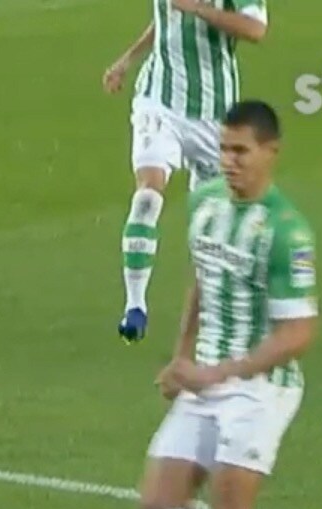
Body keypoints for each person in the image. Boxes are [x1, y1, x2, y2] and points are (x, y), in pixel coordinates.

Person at [139, 100, 316, 509]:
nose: (229, 161)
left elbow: (298, 333)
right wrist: (182, 357)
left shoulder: (287, 232)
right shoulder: (207, 203)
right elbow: (202, 278)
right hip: (206, 378)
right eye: (223, 149)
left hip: (260, 389)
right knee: (160, 508)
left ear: (270, 153)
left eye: (241, 151)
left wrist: (222, 373)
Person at [105, 0, 270, 343]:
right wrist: (129, 58)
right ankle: (135, 306)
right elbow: (168, 17)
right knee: (148, 195)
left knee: (216, 226)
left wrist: (198, 8)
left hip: (215, 114)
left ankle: (213, 321)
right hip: (159, 101)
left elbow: (255, 29)